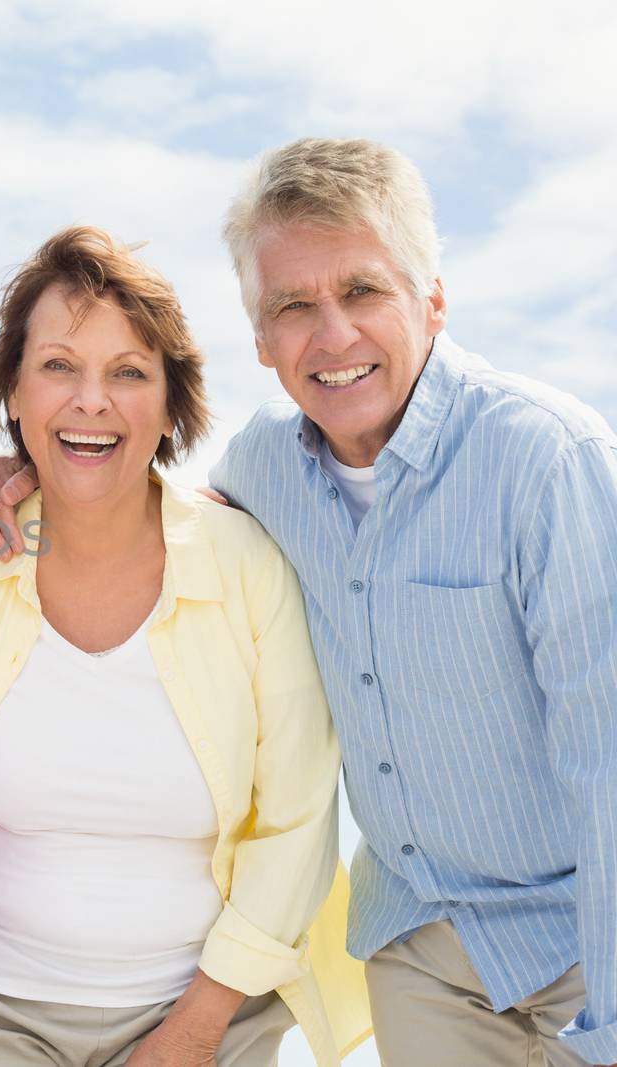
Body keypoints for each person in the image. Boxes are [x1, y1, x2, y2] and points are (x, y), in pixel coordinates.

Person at [207, 139, 617, 1067]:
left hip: (584, 939)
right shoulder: (263, 464)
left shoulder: (548, 461)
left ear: (432, 300)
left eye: (362, 291)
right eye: (293, 307)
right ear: (262, 343)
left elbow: (612, 762)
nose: (333, 335)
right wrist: (22, 472)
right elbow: (151, 525)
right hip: (422, 948)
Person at [0, 226, 367, 1065]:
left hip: (212, 1015)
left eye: (129, 372)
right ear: (13, 394)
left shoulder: (249, 565)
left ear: (171, 405)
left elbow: (299, 821)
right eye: (58, 366)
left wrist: (195, 1031)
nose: (90, 399)